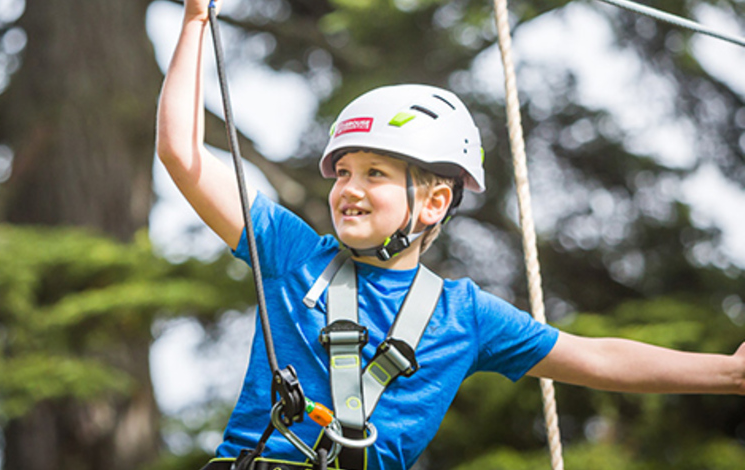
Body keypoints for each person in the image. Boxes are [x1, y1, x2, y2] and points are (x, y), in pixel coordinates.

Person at [155, 1, 745, 469]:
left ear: (434, 202)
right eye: (344, 172)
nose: (348, 188)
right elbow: (182, 155)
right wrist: (195, 21)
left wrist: (728, 373)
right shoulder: (291, 255)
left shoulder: (463, 316)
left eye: (376, 174)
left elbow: (595, 357)